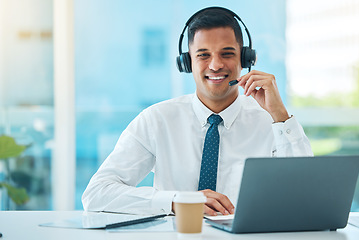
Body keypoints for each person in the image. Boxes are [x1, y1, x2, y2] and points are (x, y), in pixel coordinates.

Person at [82, 7, 313, 216]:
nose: (215, 65)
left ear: (245, 59)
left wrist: (280, 116)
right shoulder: (156, 120)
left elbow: (307, 193)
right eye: (203, 55)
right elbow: (97, 193)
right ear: (187, 63)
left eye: (227, 53)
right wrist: (177, 201)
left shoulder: (271, 122)